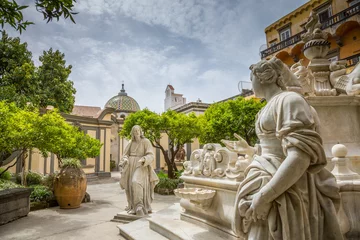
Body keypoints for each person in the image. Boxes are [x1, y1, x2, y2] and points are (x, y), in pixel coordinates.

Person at [222, 57, 342, 240]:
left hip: (283, 188)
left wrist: (265, 196)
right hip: (268, 182)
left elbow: (300, 156)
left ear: (263, 77)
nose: (251, 83)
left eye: (251, 77)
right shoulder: (267, 108)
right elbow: (271, 149)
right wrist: (249, 150)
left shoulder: (290, 101)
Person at [119, 125, 159, 216]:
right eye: (135, 131)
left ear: (141, 132)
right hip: (130, 165)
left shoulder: (146, 141)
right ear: (132, 132)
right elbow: (125, 154)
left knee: (135, 182)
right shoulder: (130, 142)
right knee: (129, 186)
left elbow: (151, 155)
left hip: (141, 165)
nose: (136, 132)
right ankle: (133, 206)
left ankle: (139, 205)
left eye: (138, 130)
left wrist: (144, 159)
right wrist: (125, 159)